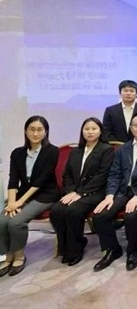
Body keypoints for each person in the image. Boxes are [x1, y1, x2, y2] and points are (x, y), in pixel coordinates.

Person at [91, 112, 137, 271]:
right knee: (100, 215)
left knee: (132, 215)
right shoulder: (123, 149)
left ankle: (132, 251)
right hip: (123, 191)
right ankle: (112, 249)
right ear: (131, 128)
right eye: (136, 125)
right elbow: (114, 174)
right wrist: (109, 196)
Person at [50, 118, 114, 266]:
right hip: (74, 192)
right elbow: (67, 174)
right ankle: (65, 248)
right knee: (56, 211)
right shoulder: (76, 151)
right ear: (82, 131)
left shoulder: (106, 150)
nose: (90, 132)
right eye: (87, 129)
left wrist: (80, 193)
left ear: (100, 131)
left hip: (96, 192)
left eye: (94, 129)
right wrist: (70, 191)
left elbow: (102, 176)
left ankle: (76, 249)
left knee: (73, 211)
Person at [0, 116, 59, 277]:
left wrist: (19, 202)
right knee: (2, 220)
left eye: (40, 130)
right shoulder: (17, 153)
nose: (35, 133)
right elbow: (13, 180)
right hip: (23, 194)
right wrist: (12, 203)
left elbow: (40, 181)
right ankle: (8, 256)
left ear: (46, 132)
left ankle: (19, 256)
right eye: (32, 129)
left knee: (16, 222)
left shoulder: (52, 151)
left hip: (45, 195)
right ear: (26, 131)